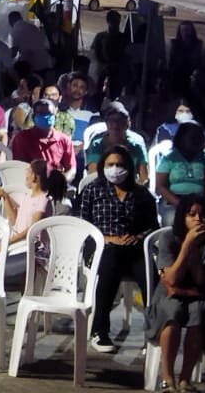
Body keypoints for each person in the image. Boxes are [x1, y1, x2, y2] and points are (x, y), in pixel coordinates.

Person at [79, 145, 161, 353]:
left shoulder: (141, 194)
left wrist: (138, 237)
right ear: (103, 166)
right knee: (109, 267)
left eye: (120, 165)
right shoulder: (93, 190)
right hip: (103, 247)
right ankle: (100, 331)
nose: (115, 169)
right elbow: (84, 225)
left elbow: (153, 226)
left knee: (150, 277)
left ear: (129, 167)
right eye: (110, 164)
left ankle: (154, 334)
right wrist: (107, 238)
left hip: (134, 248)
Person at [147, 194, 205, 393]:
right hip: (169, 292)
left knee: (199, 313)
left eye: (202, 215)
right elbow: (172, 279)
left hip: (198, 292)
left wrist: (195, 249)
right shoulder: (168, 238)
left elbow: (201, 281)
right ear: (183, 216)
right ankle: (167, 378)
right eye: (192, 214)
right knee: (172, 312)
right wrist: (187, 245)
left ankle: (185, 379)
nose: (198, 219)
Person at [10, 98, 76, 180]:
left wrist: (62, 182)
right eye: (41, 114)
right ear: (33, 117)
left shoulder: (64, 140)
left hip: (55, 183)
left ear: (55, 116)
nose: (45, 117)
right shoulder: (21, 138)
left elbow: (71, 169)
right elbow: (19, 168)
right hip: (30, 183)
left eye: (49, 114)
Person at [156, 121, 205, 211]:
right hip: (173, 202)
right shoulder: (169, 158)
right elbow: (160, 186)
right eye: (191, 138)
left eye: (196, 137)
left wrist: (203, 204)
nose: (194, 141)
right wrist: (180, 204)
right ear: (181, 138)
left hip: (199, 202)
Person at [84, 101, 149, 182]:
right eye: (111, 120)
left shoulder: (137, 144)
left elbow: (144, 178)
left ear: (127, 124)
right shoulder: (97, 145)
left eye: (120, 120)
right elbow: (93, 176)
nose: (115, 124)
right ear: (106, 123)